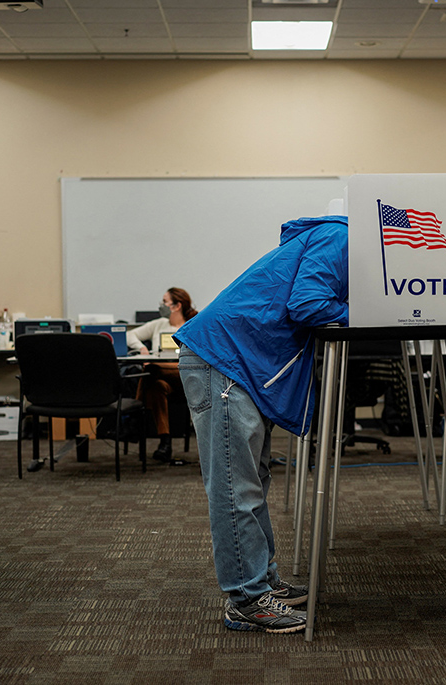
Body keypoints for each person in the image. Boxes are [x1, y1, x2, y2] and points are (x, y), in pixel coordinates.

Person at [174, 214, 348, 633]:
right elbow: (308, 304)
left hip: (237, 363)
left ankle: (263, 582)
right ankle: (247, 600)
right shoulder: (342, 235)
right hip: (226, 362)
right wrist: (370, 309)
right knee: (236, 487)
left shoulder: (333, 236)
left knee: (253, 481)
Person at [126, 287, 199, 463]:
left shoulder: (193, 324)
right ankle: (165, 443)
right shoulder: (158, 324)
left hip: (187, 376)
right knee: (155, 385)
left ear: (176, 305)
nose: (161, 305)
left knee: (152, 369)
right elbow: (130, 335)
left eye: (164, 302)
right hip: (164, 379)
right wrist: (142, 348)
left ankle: (133, 422)